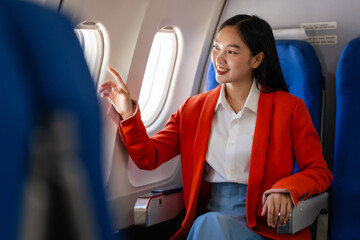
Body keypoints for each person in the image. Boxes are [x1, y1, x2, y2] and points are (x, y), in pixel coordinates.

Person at [99, 14, 332, 240]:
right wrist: (128, 112)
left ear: (257, 60)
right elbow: (149, 157)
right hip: (212, 218)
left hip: (266, 226)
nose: (218, 59)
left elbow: (319, 171)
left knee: (209, 224)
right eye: (216, 47)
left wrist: (285, 189)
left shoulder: (289, 109)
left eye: (231, 52)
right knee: (210, 223)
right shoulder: (193, 109)